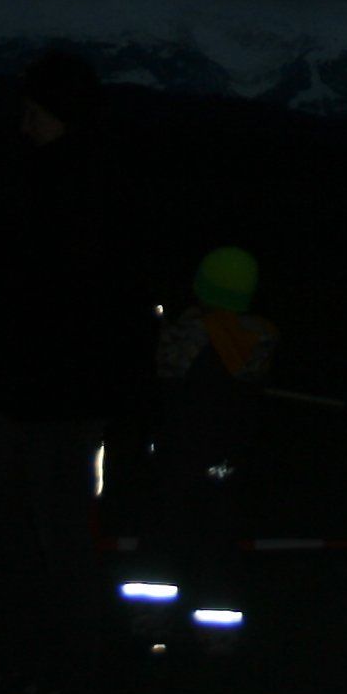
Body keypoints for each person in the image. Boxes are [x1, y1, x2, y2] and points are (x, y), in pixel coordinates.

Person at [0, 51, 129, 694]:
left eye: (34, 112)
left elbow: (55, 297)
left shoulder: (74, 189)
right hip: (38, 390)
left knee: (52, 531)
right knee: (14, 518)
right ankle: (36, 654)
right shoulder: (56, 181)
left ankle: (60, 668)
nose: (24, 124)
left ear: (61, 114)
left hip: (57, 395)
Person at [148, 243, 273, 631]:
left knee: (165, 534)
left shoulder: (181, 335)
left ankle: (150, 618)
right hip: (228, 461)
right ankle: (218, 631)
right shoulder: (260, 339)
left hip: (178, 454)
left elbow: (162, 380)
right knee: (221, 540)